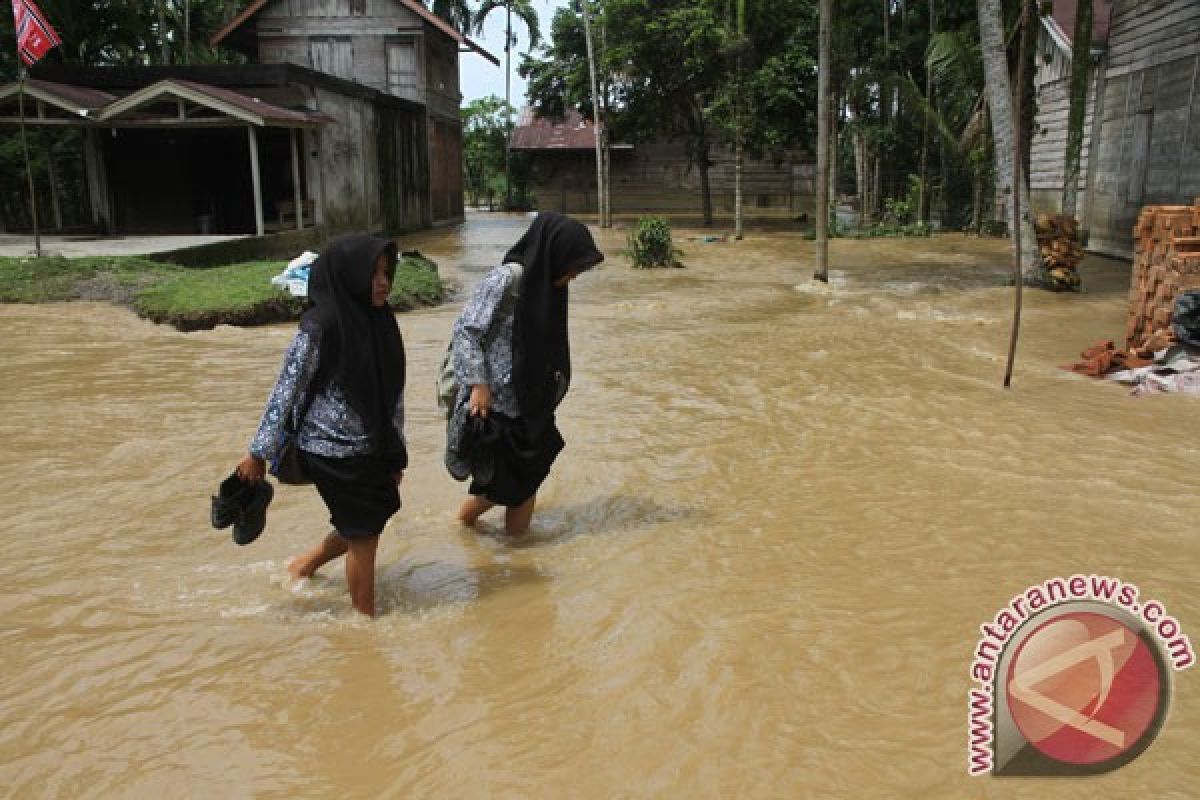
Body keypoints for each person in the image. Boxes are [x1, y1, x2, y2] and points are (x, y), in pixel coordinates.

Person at [235, 233, 407, 617]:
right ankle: (366, 623)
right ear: (350, 275)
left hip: (374, 444)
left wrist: (397, 450)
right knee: (366, 534)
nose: (383, 282)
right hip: (331, 449)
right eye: (373, 274)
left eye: (386, 273)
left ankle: (304, 564)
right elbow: (286, 390)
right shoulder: (321, 326)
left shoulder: (381, 320)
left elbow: (393, 390)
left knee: (369, 519)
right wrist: (258, 452)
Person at [450, 212, 604, 536]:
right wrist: (479, 385)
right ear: (554, 255)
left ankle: (498, 542)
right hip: (495, 404)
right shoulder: (507, 279)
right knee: (508, 482)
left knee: (525, 477)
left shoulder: (550, 287)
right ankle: (489, 538)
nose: (575, 275)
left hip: (530, 404)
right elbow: (466, 332)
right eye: (573, 266)